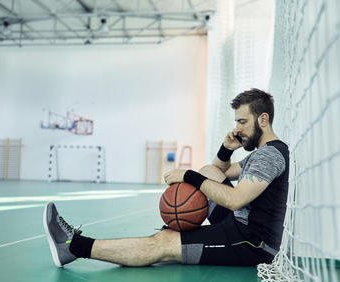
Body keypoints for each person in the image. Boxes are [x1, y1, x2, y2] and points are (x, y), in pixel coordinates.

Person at [43, 88, 289, 267]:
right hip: (241, 223)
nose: (237, 129)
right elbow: (218, 172)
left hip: (251, 243)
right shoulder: (263, 153)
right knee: (209, 171)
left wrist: (188, 176)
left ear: (263, 119)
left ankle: (73, 247)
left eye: (243, 122)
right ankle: (188, 233)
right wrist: (227, 148)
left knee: (163, 243)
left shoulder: (271, 155)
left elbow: (235, 200)